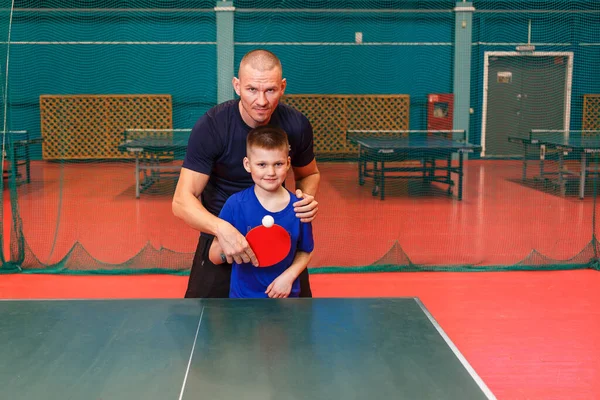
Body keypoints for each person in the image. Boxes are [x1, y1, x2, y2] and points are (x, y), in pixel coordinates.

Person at [172, 49, 320, 298]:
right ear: (237, 86)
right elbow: (181, 200)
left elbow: (310, 174)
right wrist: (223, 229)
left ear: (282, 87)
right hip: (223, 238)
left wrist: (304, 200)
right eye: (252, 89)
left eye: (270, 90)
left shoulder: (297, 125)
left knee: (293, 330)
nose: (261, 101)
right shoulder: (212, 126)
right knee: (208, 330)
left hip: (280, 241)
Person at [207, 125, 313, 298]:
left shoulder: (300, 207)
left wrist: (288, 277)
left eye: (278, 164)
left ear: (287, 163)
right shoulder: (235, 205)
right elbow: (214, 256)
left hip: (286, 296)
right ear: (247, 165)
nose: (270, 172)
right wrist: (230, 251)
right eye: (262, 164)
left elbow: (305, 250)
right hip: (244, 300)